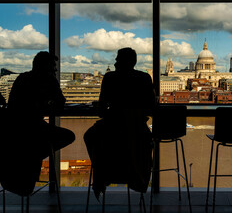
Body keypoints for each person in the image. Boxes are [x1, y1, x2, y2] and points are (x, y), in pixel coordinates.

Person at [84, 47, 155, 199]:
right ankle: (136, 178)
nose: (115, 62)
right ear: (134, 62)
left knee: (89, 136)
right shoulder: (144, 78)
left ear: (123, 61)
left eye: (117, 59)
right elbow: (151, 107)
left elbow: (102, 110)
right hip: (138, 128)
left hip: (112, 127)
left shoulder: (110, 78)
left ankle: (101, 174)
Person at [1, 51, 75, 196]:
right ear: (46, 67)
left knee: (34, 143)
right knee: (69, 136)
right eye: (53, 67)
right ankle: (35, 154)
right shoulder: (49, 80)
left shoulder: (22, 78)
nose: (55, 70)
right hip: (35, 128)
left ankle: (31, 155)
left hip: (14, 131)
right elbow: (61, 103)